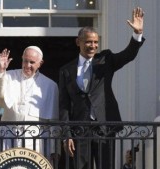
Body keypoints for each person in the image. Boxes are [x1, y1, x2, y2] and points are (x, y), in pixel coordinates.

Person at [58, 7, 145, 169]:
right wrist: (66, 134)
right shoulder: (66, 70)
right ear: (78, 42)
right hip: (79, 131)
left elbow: (128, 55)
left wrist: (137, 34)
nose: (93, 46)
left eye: (96, 42)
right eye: (88, 42)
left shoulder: (106, 60)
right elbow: (63, 105)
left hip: (104, 128)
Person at [0, 46, 59, 161]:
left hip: (36, 139)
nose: (27, 65)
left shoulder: (50, 86)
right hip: (9, 135)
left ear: (40, 63)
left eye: (32, 62)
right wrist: (0, 70)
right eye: (25, 61)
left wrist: (54, 150)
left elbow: (54, 122)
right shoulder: (8, 76)